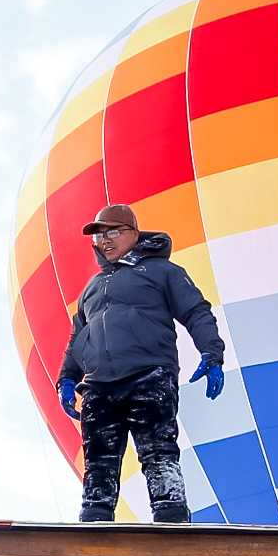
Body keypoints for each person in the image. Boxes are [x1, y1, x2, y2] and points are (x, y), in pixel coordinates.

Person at [57, 204, 227, 524]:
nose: (104, 241)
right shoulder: (92, 288)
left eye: (113, 232)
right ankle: (96, 515)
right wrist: (66, 378)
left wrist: (212, 353)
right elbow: (78, 338)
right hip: (99, 383)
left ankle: (170, 511)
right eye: (99, 236)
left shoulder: (163, 272)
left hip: (149, 373)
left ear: (134, 234)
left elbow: (196, 312)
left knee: (158, 450)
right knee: (98, 458)